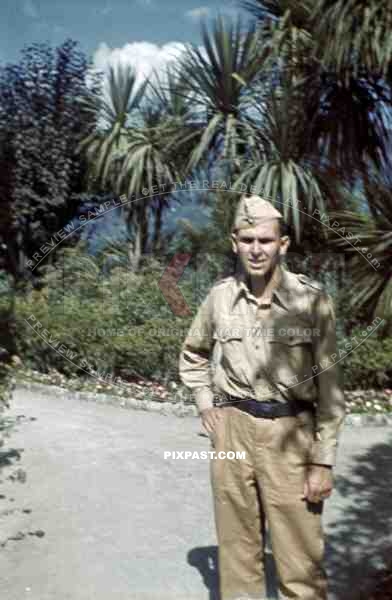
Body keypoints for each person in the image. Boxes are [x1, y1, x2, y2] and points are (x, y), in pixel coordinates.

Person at [179, 194, 346, 600]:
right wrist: (204, 403)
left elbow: (330, 390)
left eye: (266, 241)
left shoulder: (311, 300)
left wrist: (322, 461)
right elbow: (193, 353)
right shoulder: (219, 297)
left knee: (300, 558)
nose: (256, 249)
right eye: (247, 239)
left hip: (291, 436)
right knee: (237, 550)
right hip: (232, 433)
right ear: (234, 242)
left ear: (283, 245)